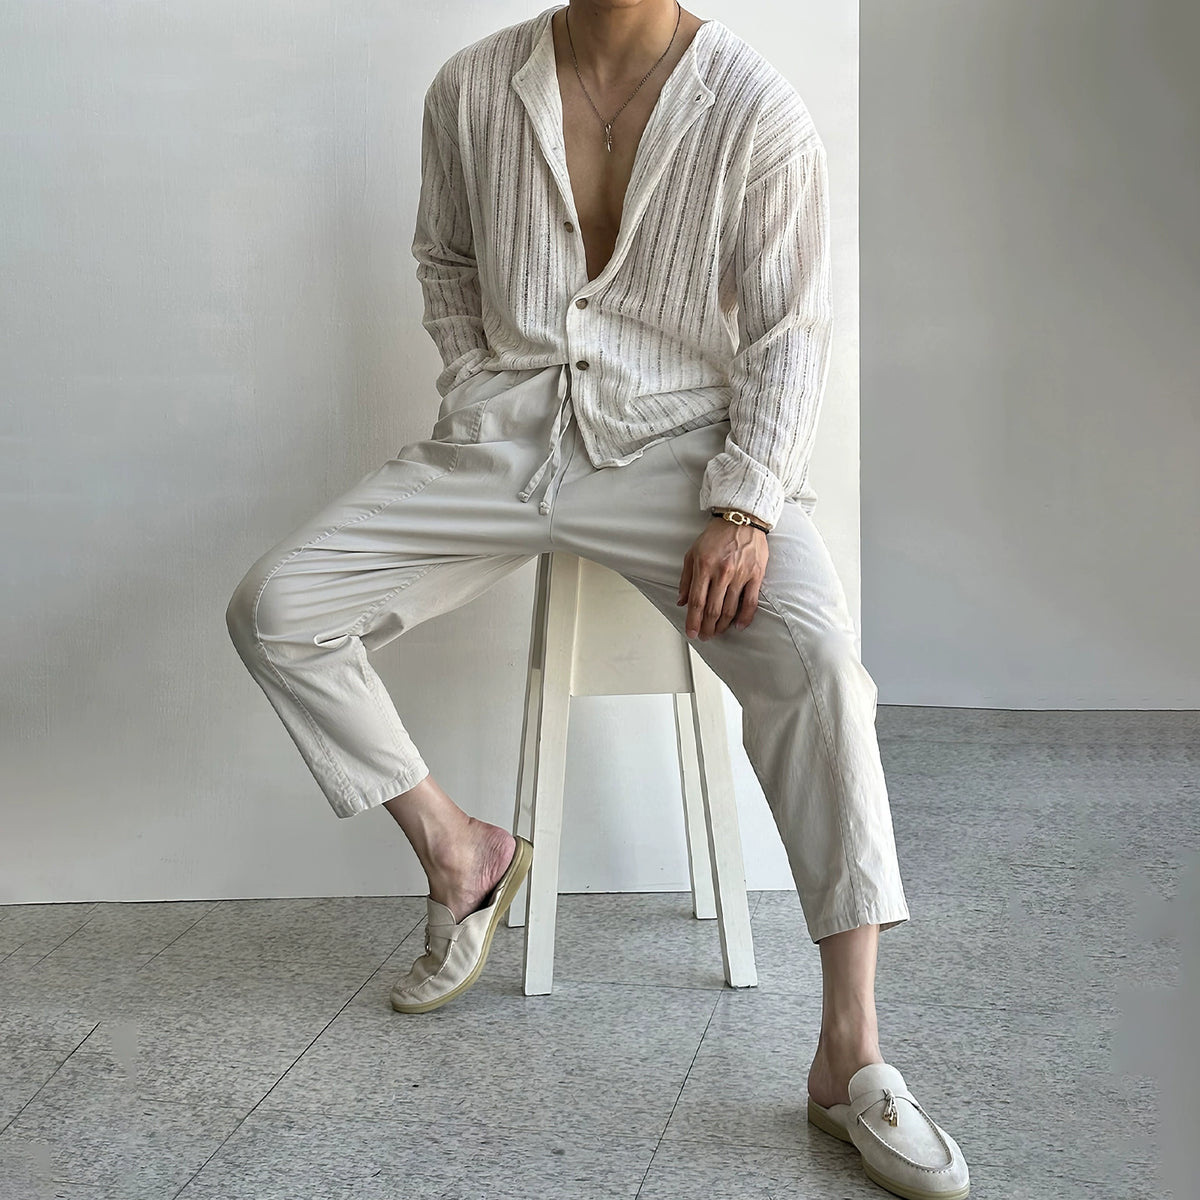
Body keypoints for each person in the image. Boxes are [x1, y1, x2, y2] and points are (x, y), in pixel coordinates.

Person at [225, 3, 969, 1195]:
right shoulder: (472, 86)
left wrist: (745, 506)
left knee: (823, 668)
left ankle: (851, 1055)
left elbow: (789, 330)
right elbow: (446, 260)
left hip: (679, 453)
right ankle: (461, 850)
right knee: (279, 607)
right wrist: (479, 389)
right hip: (503, 439)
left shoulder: (756, 108)